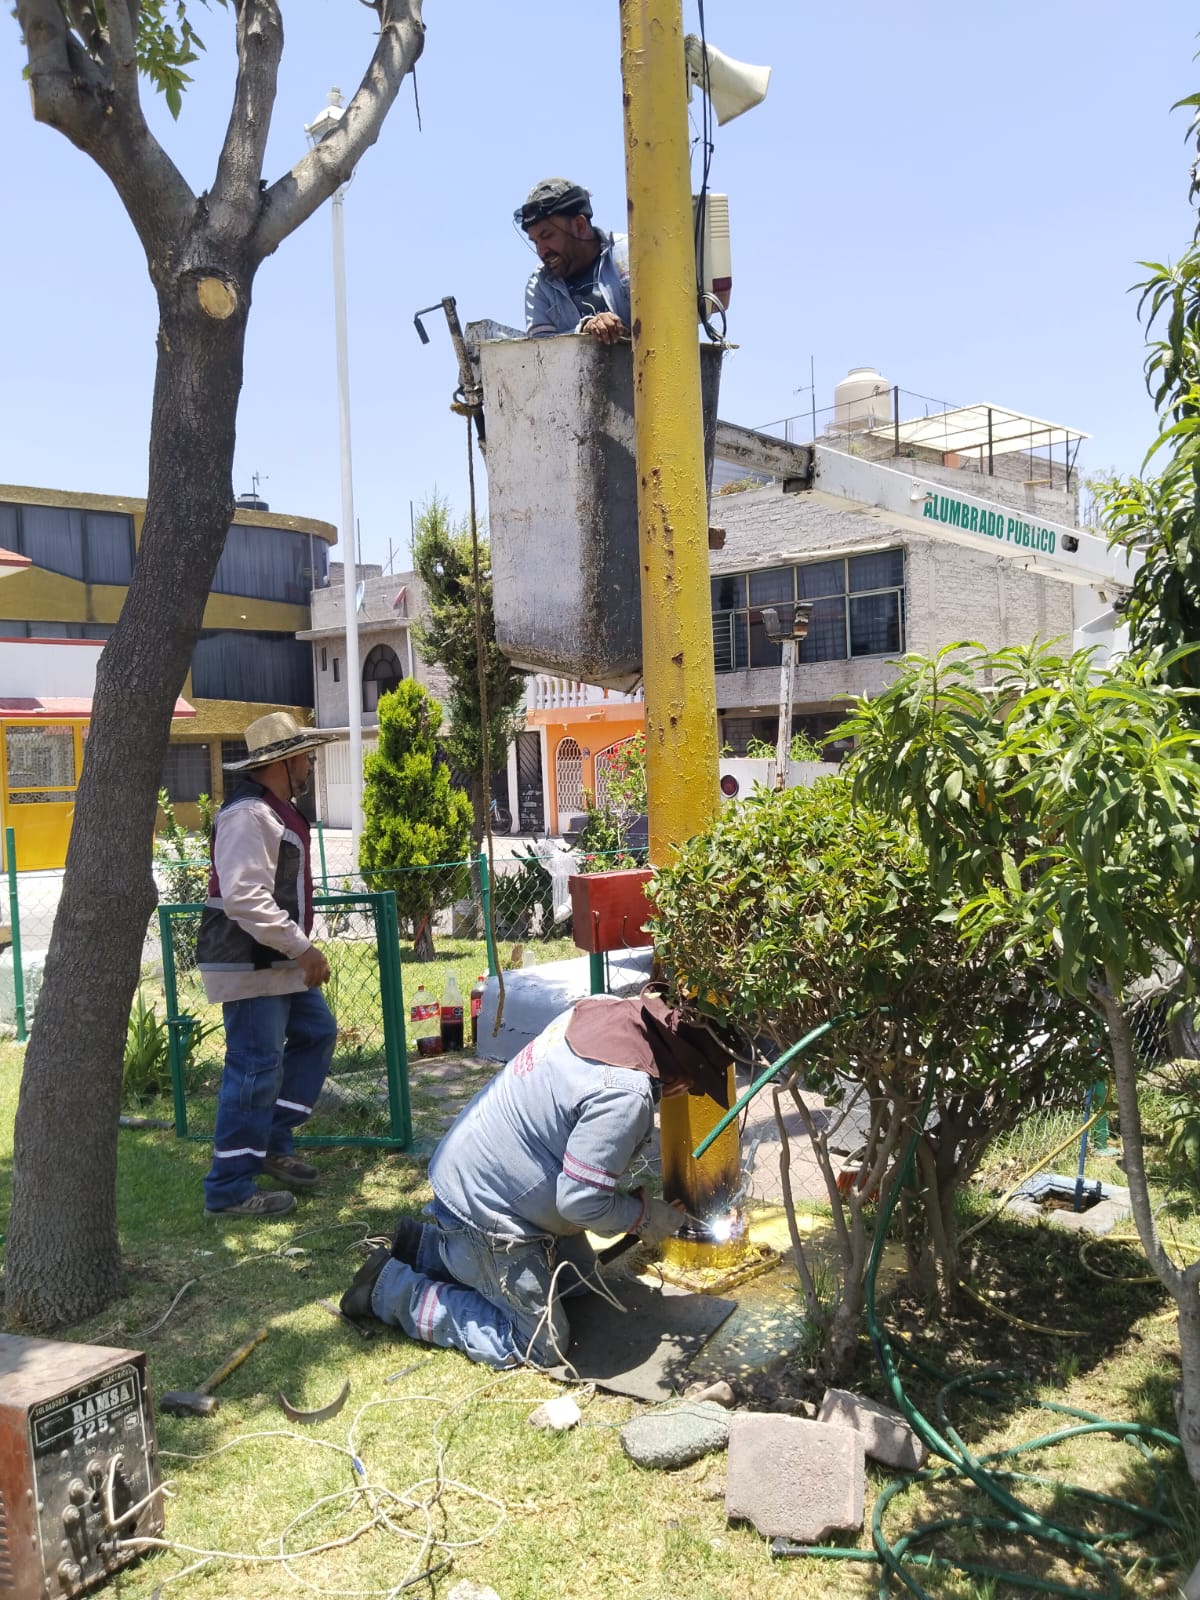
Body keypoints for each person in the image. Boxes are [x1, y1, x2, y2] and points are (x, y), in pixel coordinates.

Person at [339, 988, 734, 1367]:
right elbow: (580, 1201)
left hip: (479, 1179)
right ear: (681, 1079)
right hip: (489, 1215)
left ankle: (423, 1247)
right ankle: (388, 1290)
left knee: (578, 1285)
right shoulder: (625, 1094)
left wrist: (632, 1208)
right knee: (541, 1343)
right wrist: (644, 1218)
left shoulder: (601, 1012)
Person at [196, 712, 339, 1219]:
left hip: (271, 963)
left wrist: (294, 950)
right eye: (306, 756)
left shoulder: (271, 811)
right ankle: (230, 1188)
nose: (309, 765)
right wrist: (301, 948)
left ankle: (271, 1139)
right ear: (285, 760)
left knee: (317, 1032)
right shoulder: (249, 815)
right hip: (252, 964)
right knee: (254, 1069)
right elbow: (244, 898)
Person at [518, 177, 631, 344]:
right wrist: (584, 329)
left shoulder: (631, 253)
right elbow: (541, 354)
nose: (541, 252)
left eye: (547, 236)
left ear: (579, 225)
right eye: (535, 242)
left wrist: (623, 333)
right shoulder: (539, 285)